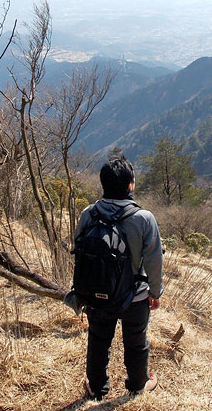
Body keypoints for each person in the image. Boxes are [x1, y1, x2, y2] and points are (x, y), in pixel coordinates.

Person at [73, 154, 163, 400]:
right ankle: (137, 385)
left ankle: (97, 388)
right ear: (130, 185)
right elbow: (155, 260)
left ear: (103, 184)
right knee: (136, 342)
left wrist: (80, 291)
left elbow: (79, 255)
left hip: (96, 294)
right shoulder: (144, 218)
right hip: (134, 297)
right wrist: (155, 293)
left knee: (98, 340)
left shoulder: (88, 214)